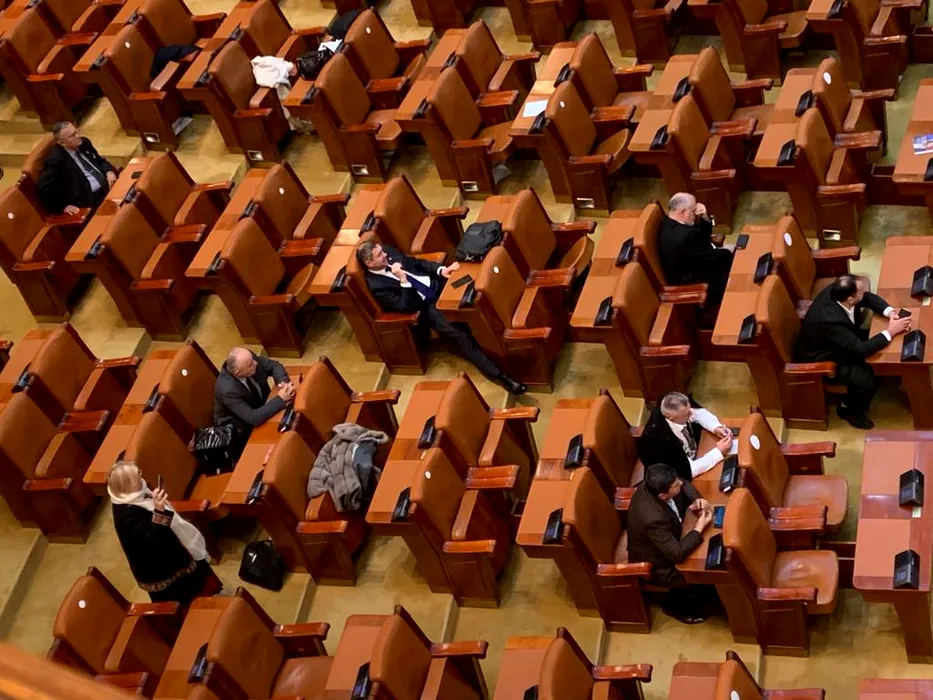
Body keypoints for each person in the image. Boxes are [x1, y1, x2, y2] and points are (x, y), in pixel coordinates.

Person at [356, 240, 526, 395]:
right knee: (460, 335)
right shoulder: (377, 287)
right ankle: (501, 376)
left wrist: (440, 269)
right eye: (379, 254)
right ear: (369, 263)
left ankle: (511, 337)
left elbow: (417, 263)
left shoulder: (389, 252)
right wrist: (403, 280)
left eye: (382, 250)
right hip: (427, 307)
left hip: (438, 284)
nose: (385, 254)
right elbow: (407, 306)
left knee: (474, 287)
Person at [795, 274, 911, 429]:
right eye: (860, 293)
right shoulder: (831, 320)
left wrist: (890, 312)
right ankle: (848, 409)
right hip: (824, 357)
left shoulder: (839, 291)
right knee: (865, 380)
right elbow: (861, 350)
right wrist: (891, 331)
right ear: (850, 299)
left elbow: (867, 298)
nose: (864, 294)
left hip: (841, 340)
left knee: (880, 341)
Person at [108, 461, 220, 606]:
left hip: (172, 547)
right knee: (184, 599)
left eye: (139, 472)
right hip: (159, 565)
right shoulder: (126, 517)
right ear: (127, 487)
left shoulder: (134, 492)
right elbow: (152, 540)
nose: (142, 478)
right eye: (137, 477)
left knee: (197, 580)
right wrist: (159, 511)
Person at [627, 463, 714, 624]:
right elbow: (677, 554)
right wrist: (699, 527)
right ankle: (675, 607)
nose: (679, 483)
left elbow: (683, 482)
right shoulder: (652, 518)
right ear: (663, 496)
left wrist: (697, 499)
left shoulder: (655, 481)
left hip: (674, 535)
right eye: (675, 486)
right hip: (660, 566)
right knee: (706, 571)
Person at [657, 192, 733, 312]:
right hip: (690, 280)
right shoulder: (684, 237)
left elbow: (700, 240)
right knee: (728, 263)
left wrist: (704, 217)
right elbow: (707, 251)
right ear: (682, 212)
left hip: (691, 263)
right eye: (693, 211)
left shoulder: (669, 221)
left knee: (725, 255)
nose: (696, 214)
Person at [637, 392, 732, 482]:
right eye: (687, 414)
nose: (691, 414)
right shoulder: (658, 441)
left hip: (699, 451)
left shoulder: (674, 403)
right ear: (672, 419)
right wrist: (718, 452)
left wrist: (716, 427)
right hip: (682, 473)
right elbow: (689, 470)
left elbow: (698, 413)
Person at [214, 347, 295, 444]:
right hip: (242, 428)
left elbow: (274, 366)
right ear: (238, 373)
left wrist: (284, 384)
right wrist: (281, 399)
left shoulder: (249, 359)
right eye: (250, 365)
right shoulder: (227, 390)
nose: (255, 363)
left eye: (252, 359)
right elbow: (253, 418)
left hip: (263, 407)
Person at [37, 121, 117, 215]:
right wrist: (62, 206)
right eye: (72, 136)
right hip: (91, 200)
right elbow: (43, 188)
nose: (78, 136)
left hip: (109, 186)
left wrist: (109, 171)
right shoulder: (56, 160)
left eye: (76, 131)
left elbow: (100, 160)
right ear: (62, 143)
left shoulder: (84, 143)